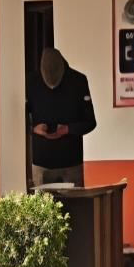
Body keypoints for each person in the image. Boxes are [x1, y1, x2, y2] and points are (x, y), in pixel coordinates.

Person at [26, 47, 97, 187]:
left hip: (71, 162)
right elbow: (17, 119)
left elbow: (90, 122)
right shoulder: (30, 82)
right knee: (41, 201)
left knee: (74, 202)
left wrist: (67, 129)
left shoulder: (78, 81)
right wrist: (33, 129)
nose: (52, 85)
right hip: (41, 163)